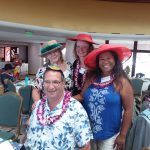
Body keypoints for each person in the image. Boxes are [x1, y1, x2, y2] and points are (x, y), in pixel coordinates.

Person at [78, 44, 134, 150]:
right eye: (102, 59)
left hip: (111, 134)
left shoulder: (122, 82)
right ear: (98, 62)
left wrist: (122, 135)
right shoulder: (92, 78)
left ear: (115, 60)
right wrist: (64, 100)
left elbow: (128, 109)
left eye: (109, 58)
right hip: (88, 131)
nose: (105, 61)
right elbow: (81, 96)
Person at [24, 66, 93, 150]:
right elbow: (29, 133)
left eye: (55, 82)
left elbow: (85, 147)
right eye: (47, 82)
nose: (50, 86)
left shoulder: (76, 109)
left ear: (63, 83)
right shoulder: (38, 105)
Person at [32, 40, 72, 105]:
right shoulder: (42, 70)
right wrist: (37, 102)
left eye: (55, 51)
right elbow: (36, 90)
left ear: (59, 51)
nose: (53, 54)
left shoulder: (70, 67)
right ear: (46, 56)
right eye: (49, 53)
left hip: (68, 104)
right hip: (48, 105)